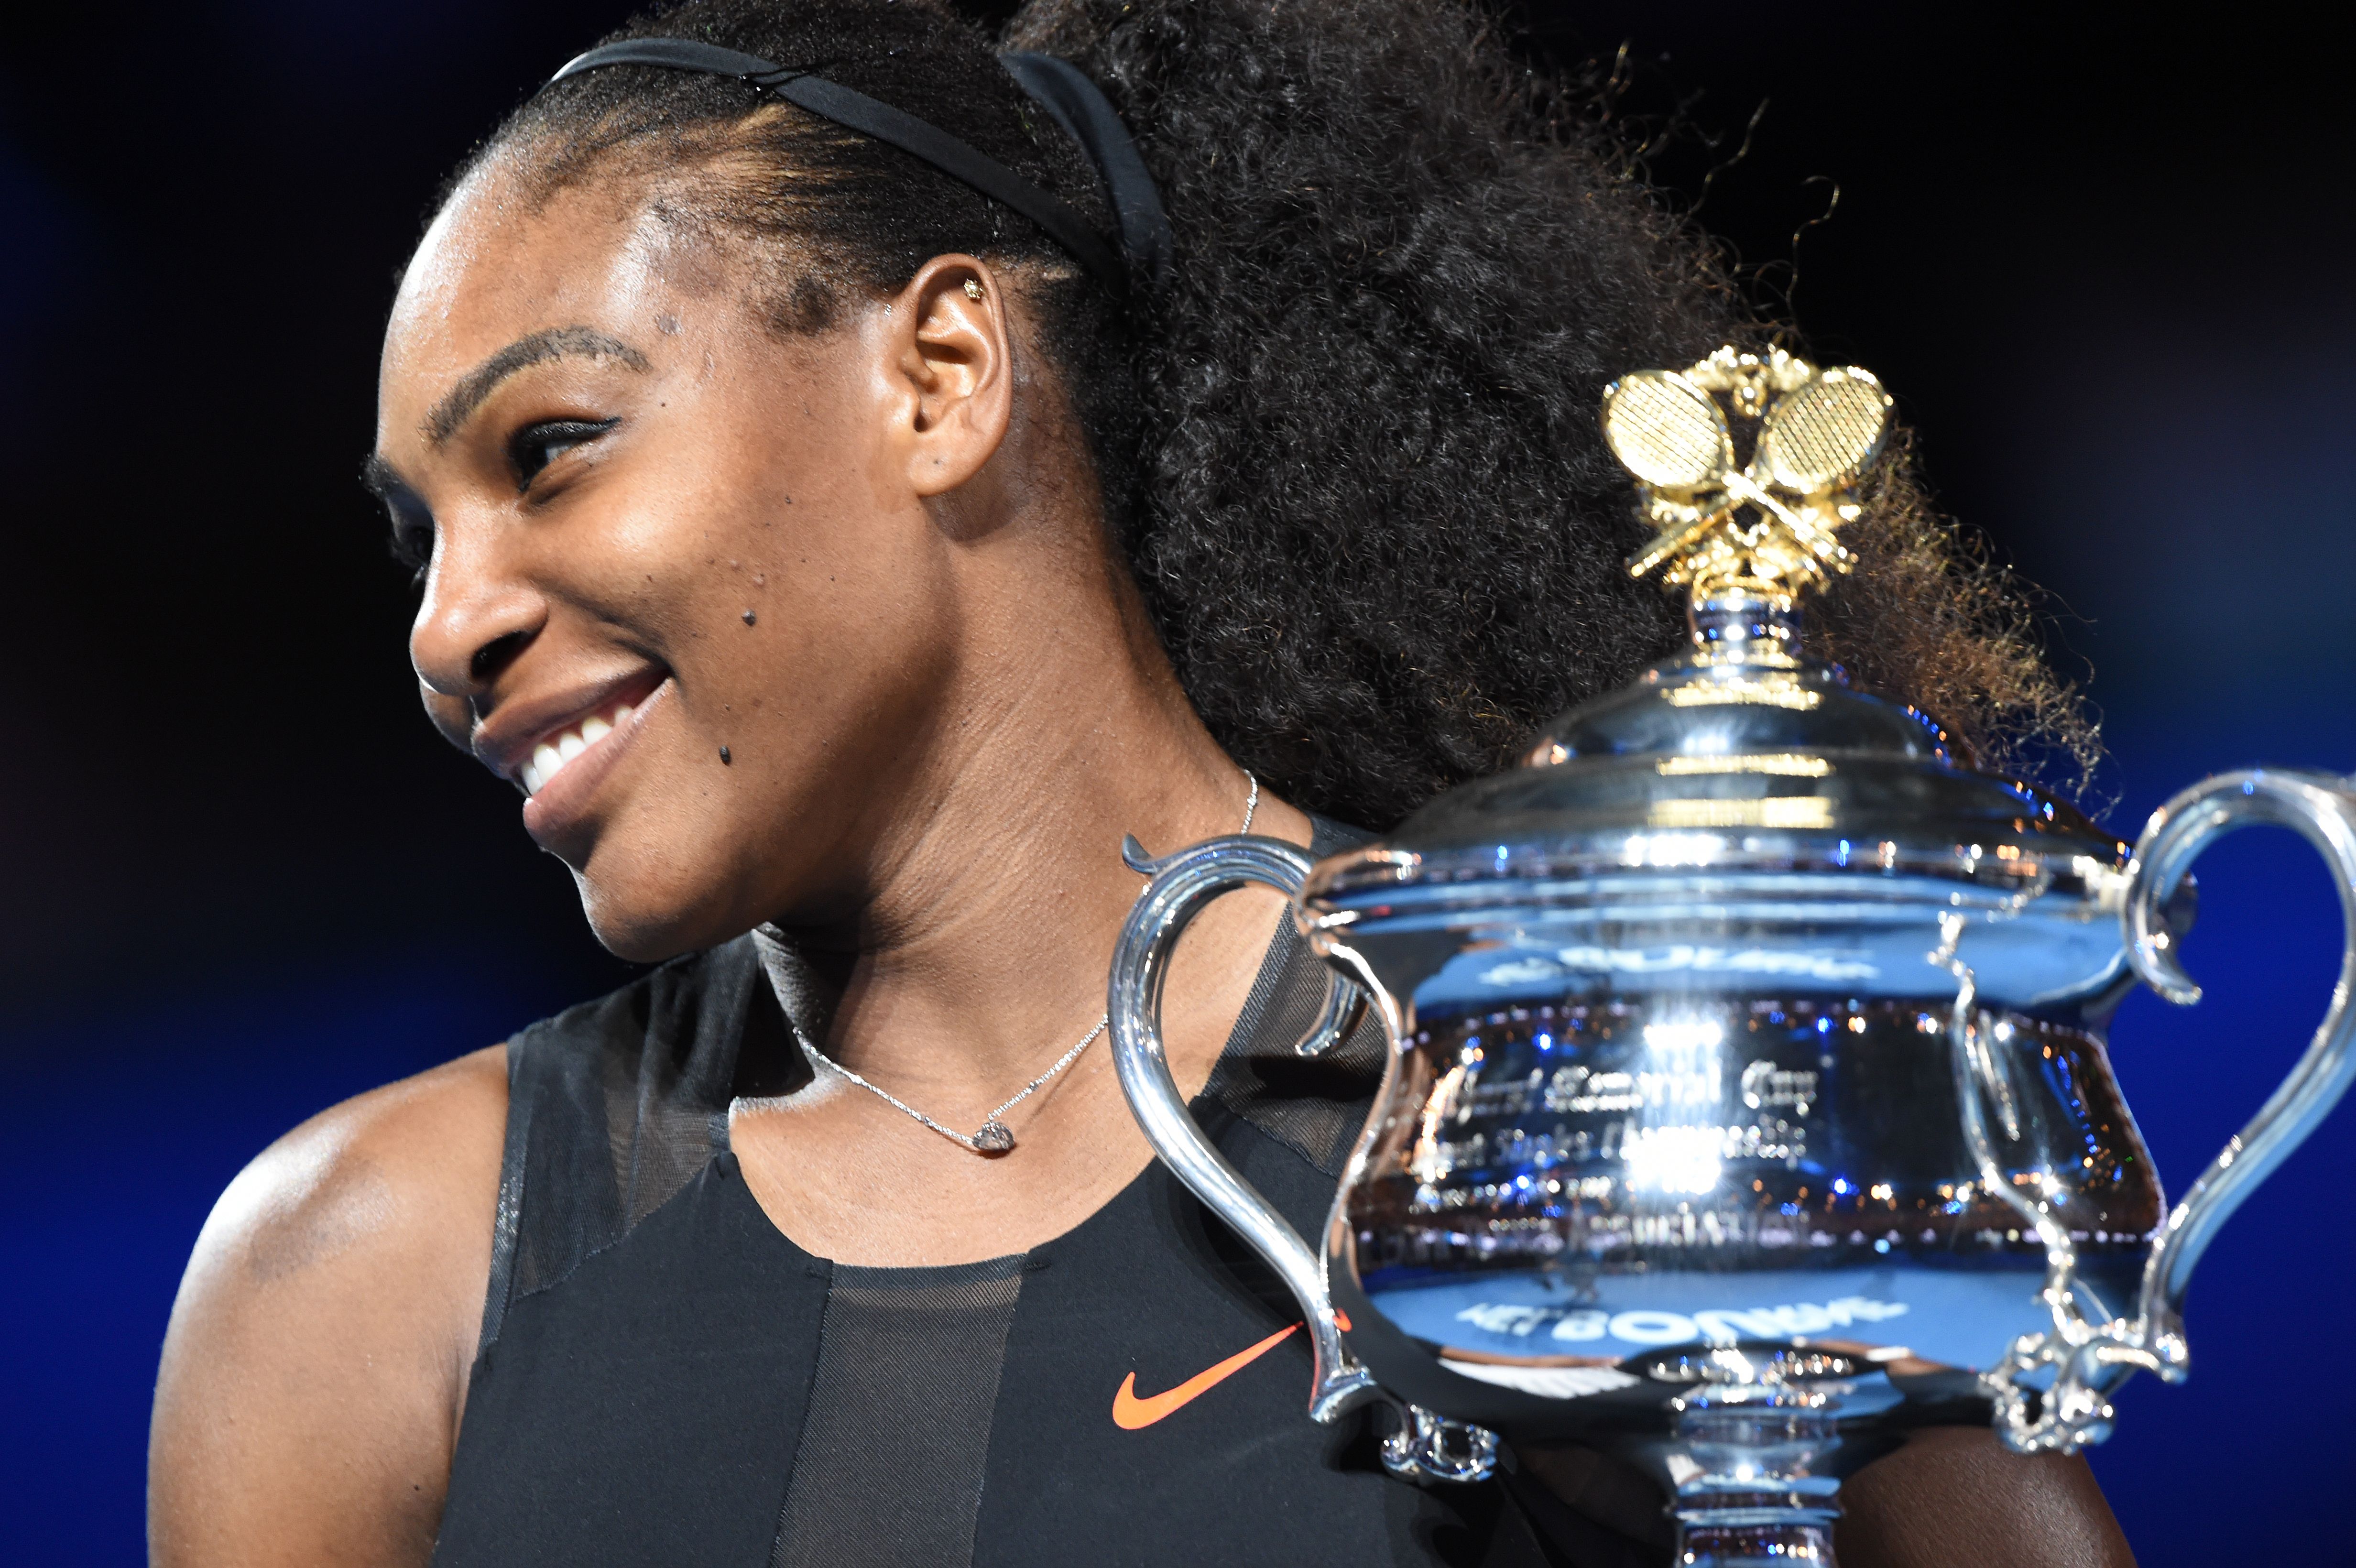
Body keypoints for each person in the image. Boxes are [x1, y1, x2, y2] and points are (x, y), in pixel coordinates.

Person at [147, 1, 2131, 1562]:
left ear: (937, 375)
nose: (444, 626)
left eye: (551, 447)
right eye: (417, 542)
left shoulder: (1574, 1098)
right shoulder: (353, 1286)